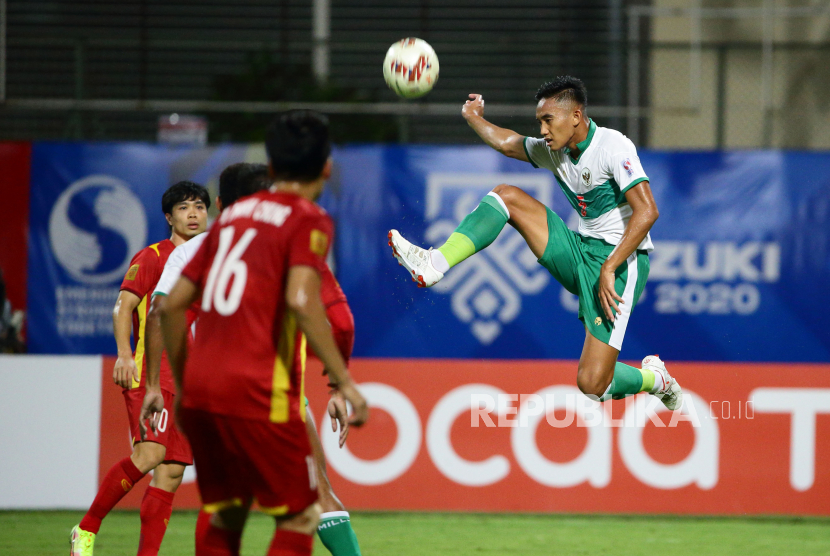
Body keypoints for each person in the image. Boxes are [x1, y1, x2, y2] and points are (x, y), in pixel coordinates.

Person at [388, 76, 682, 410]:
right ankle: (435, 263)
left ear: (576, 116)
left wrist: (611, 266)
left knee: (592, 384)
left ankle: (656, 380)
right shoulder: (553, 150)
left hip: (620, 267)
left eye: (548, 120)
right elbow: (507, 143)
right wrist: (474, 118)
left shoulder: (613, 147)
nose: (542, 130)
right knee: (505, 196)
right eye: (539, 122)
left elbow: (648, 211)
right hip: (579, 250)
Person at [160, 110, 368, 556]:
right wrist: (343, 381)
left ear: (272, 168)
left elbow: (171, 306)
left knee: (226, 513)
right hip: (260, 393)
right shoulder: (306, 219)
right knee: (302, 514)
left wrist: (184, 382)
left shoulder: (228, 224)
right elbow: (304, 301)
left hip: (202, 392)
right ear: (326, 168)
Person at [70, 181, 210, 556]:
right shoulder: (153, 257)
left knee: (172, 472)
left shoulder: (211, 260)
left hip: (189, 377)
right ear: (169, 216)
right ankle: (86, 528)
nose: (193, 214)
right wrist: (123, 353)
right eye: (184, 208)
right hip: (152, 369)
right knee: (149, 455)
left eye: (199, 206)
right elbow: (124, 305)